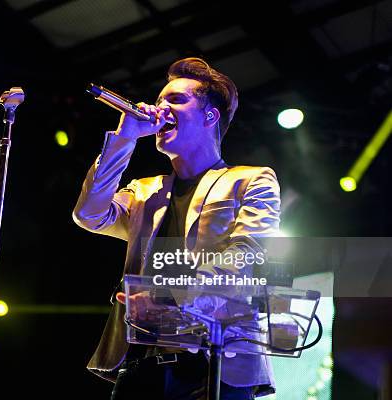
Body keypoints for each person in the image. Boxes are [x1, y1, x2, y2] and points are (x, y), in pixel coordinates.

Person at [72, 57, 281, 399]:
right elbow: (89, 214)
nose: (161, 109)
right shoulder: (143, 190)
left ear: (210, 116)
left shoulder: (250, 180)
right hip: (142, 363)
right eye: (158, 102)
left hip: (214, 362)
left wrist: (173, 297)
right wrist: (125, 137)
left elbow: (247, 255)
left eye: (176, 100)